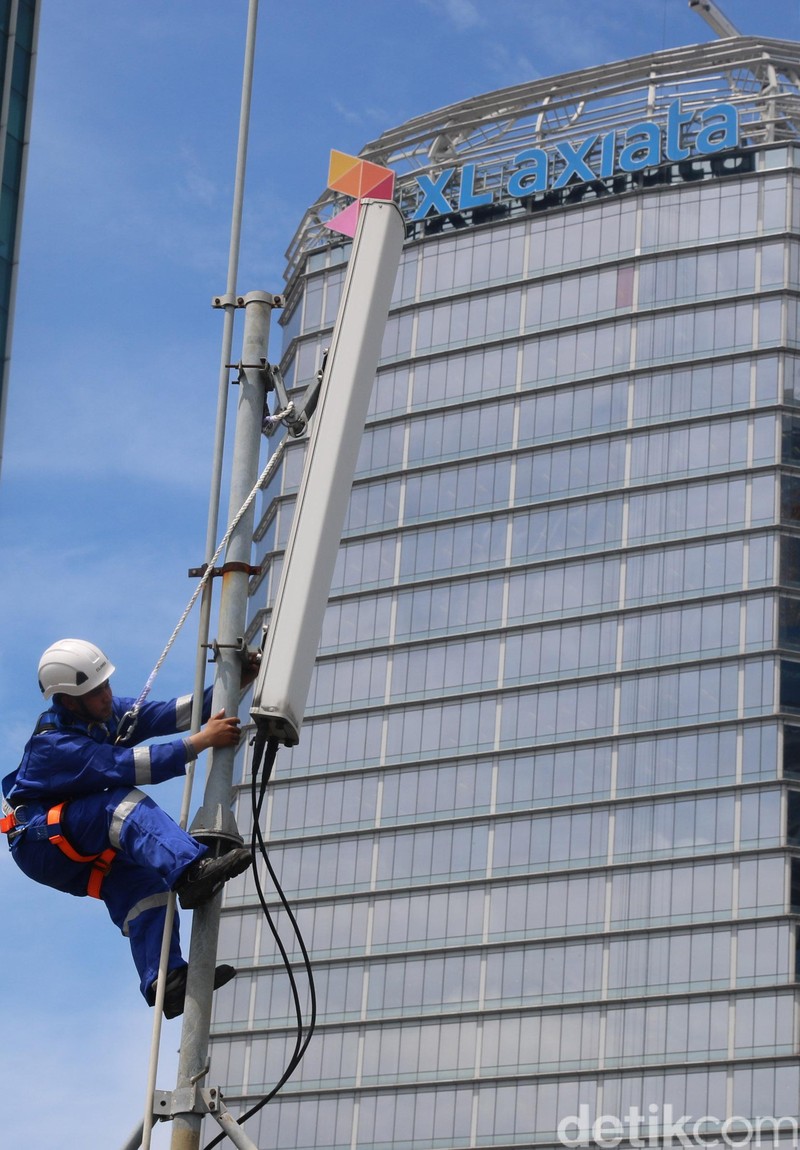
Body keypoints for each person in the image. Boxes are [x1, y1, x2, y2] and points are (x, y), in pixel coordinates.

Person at [2, 638, 255, 1018]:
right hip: (41, 842)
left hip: (68, 837)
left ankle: (167, 981)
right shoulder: (55, 745)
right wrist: (201, 742)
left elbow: (168, 714)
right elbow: (131, 766)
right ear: (69, 701)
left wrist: (237, 682)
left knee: (145, 885)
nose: (106, 695)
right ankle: (191, 870)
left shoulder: (100, 714)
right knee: (118, 805)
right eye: (95, 691)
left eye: (106, 685)